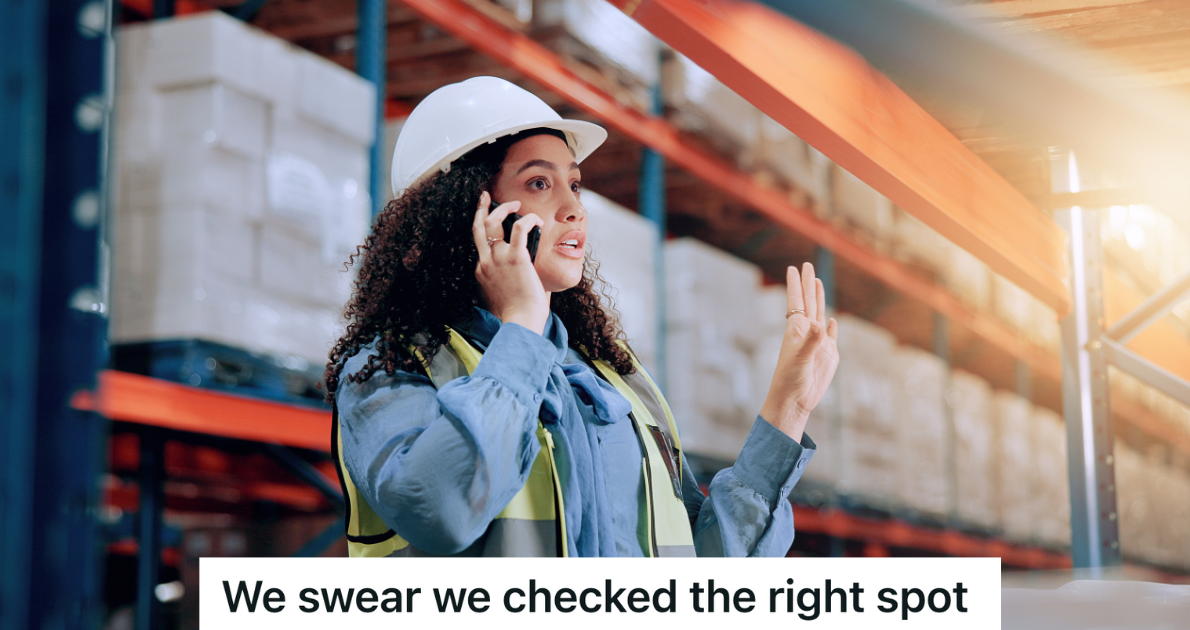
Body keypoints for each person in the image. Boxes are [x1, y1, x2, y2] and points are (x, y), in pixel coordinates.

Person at [324, 77, 839, 558]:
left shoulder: (619, 385)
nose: (575, 208)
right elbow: (441, 509)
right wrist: (522, 323)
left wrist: (787, 411)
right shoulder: (389, 367)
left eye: (574, 184)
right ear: (463, 211)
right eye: (539, 184)